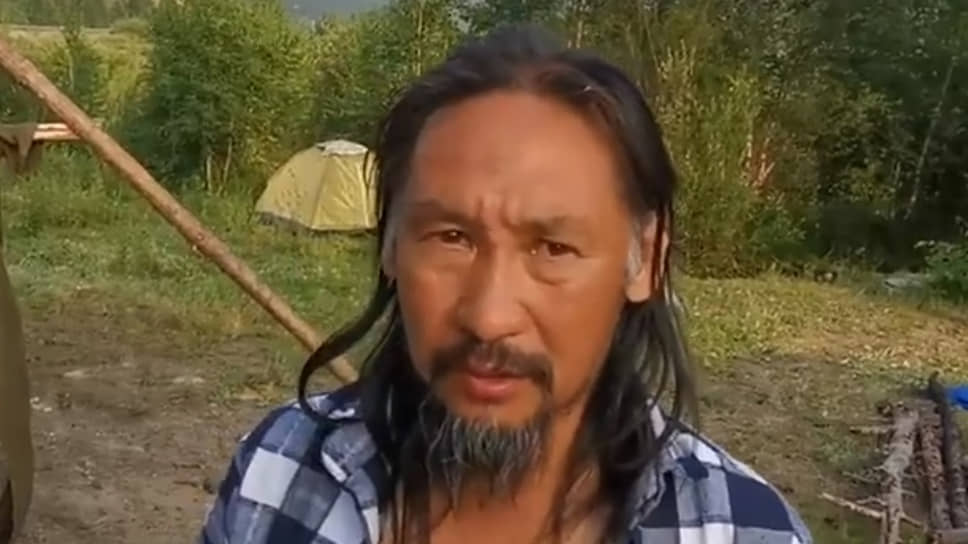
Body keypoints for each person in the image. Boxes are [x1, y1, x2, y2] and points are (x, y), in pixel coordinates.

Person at [199, 24, 812, 544]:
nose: (489, 318)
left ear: (645, 261)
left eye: (554, 248)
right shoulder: (279, 478)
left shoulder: (741, 531)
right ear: (390, 245)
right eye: (451, 237)